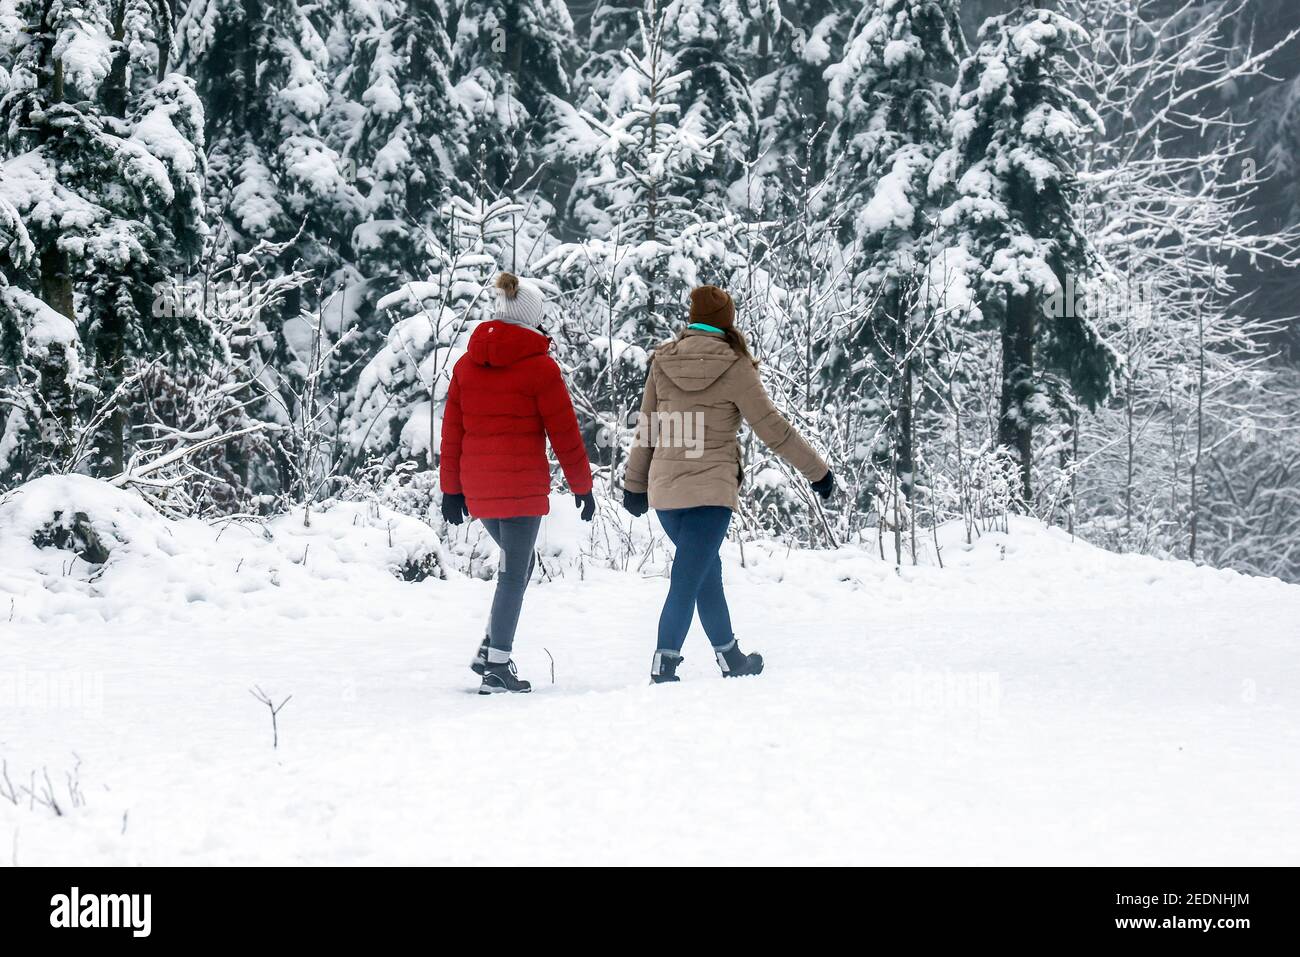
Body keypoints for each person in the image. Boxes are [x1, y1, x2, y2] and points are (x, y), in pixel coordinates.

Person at [622, 285, 833, 684]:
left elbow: (645, 428)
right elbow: (773, 429)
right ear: (727, 321)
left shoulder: (662, 360)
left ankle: (730, 657)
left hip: (666, 494)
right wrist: (817, 471)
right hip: (711, 493)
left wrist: (635, 484)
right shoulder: (736, 366)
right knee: (689, 576)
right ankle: (664, 663)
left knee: (704, 571)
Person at [440, 272, 595, 694]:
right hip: (521, 490)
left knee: (518, 564)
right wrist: (583, 486)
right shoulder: (540, 367)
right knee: (513, 572)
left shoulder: (466, 364)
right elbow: (565, 433)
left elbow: (452, 432)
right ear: (533, 318)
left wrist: (451, 489)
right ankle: (497, 667)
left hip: (478, 489)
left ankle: (488, 651)